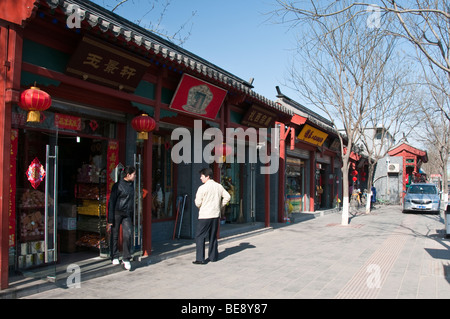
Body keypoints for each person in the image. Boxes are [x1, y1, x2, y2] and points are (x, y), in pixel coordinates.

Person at [193, 167, 230, 264]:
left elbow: (197, 203)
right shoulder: (218, 186)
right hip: (215, 215)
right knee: (213, 236)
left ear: (207, 176)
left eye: (202, 176)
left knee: (200, 236)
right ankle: (213, 257)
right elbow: (227, 196)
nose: (200, 178)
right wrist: (220, 206)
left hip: (205, 215)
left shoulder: (202, 188)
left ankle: (200, 259)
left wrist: (201, 206)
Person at [107, 166, 136, 270]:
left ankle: (126, 258)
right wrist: (110, 219)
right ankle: (114, 256)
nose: (135, 176)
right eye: (134, 174)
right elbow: (111, 202)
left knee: (128, 234)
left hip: (127, 214)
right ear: (128, 175)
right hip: (117, 212)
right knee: (114, 235)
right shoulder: (117, 186)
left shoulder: (132, 185)